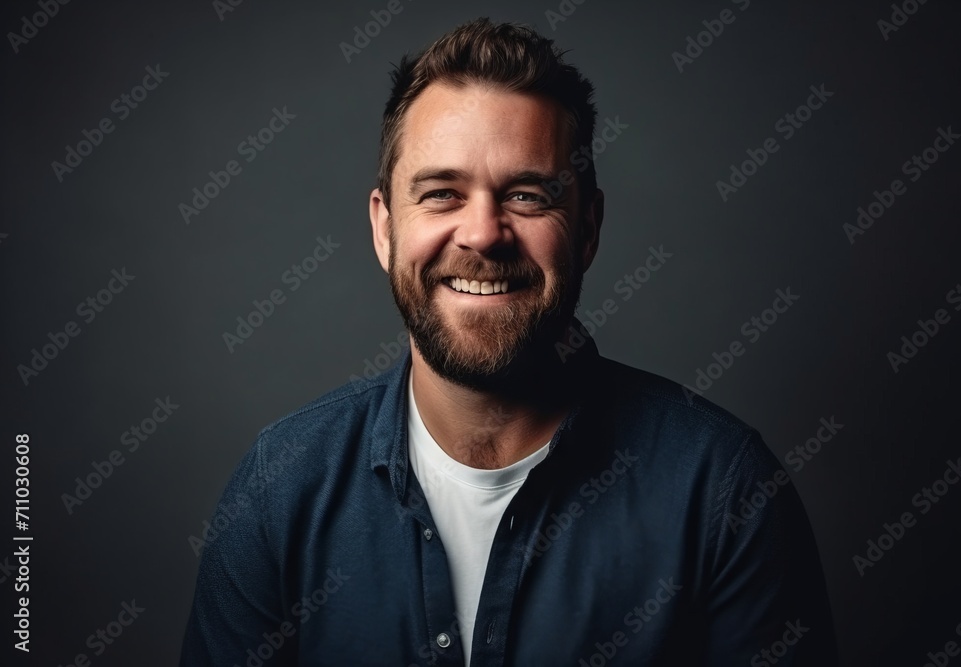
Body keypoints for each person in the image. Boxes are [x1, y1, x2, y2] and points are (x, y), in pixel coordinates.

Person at [181, 18, 837, 666]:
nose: (484, 234)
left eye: (526, 195)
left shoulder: (726, 492)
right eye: (441, 194)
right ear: (384, 229)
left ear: (586, 228)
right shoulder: (278, 489)